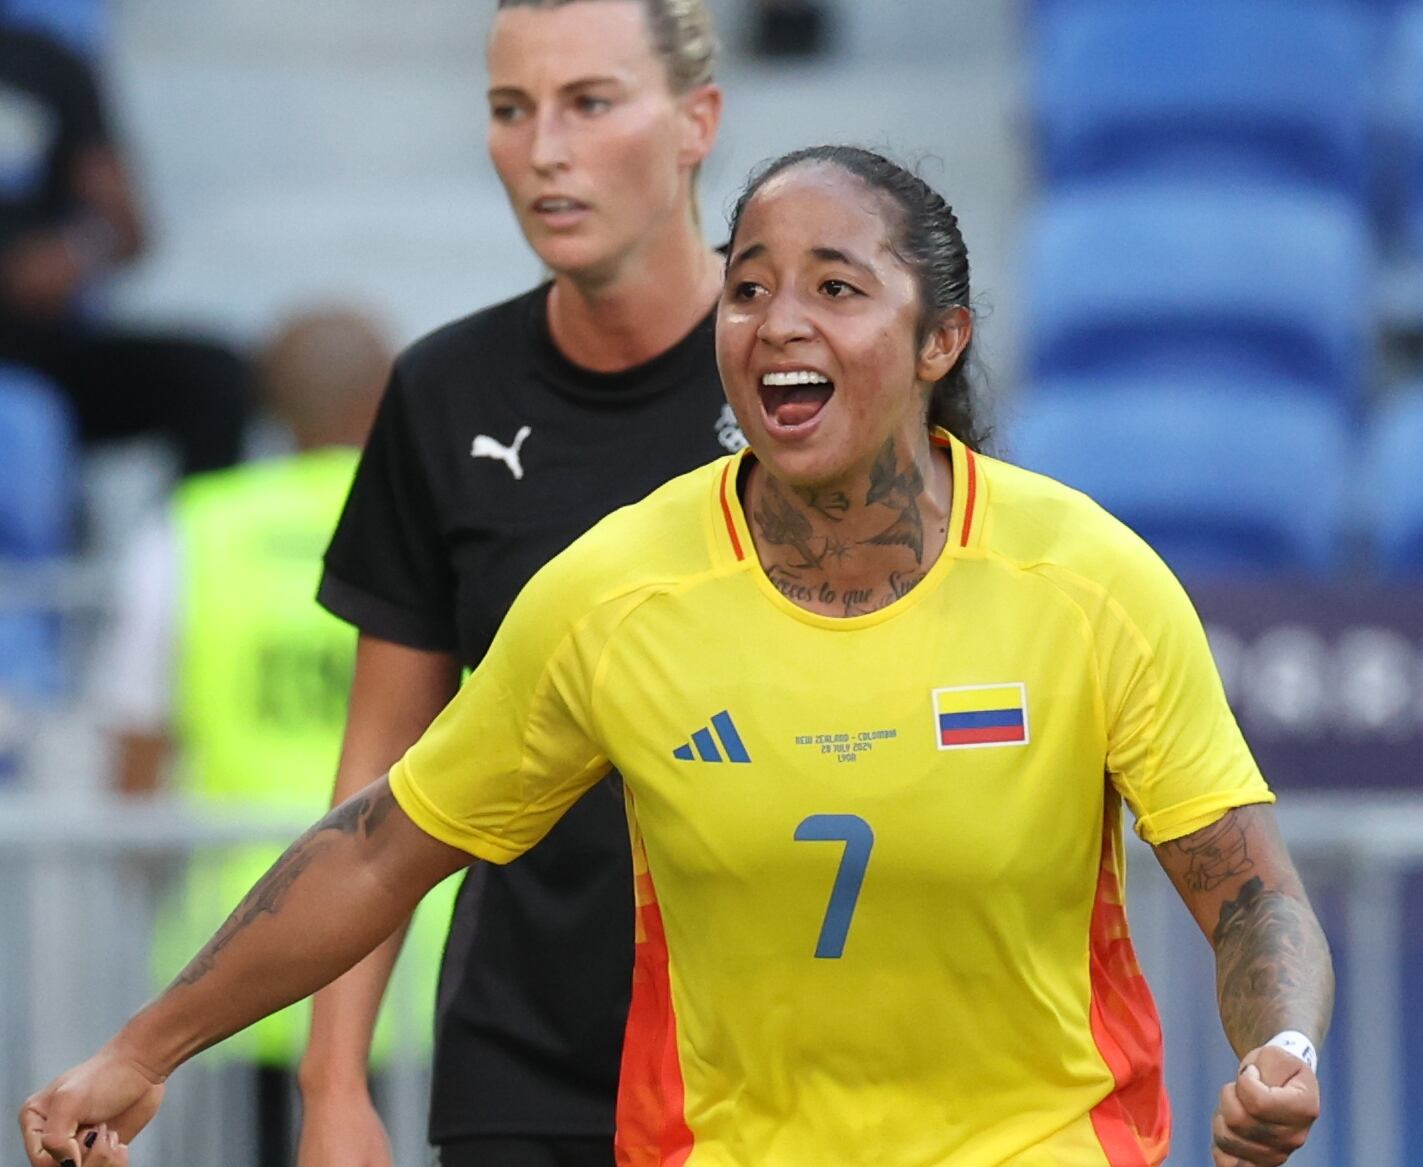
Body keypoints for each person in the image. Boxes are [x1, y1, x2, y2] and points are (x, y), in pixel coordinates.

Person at [20, 146, 1333, 1167]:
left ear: (942, 342)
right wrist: (145, 1049)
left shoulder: (1087, 579)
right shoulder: (617, 589)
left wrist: (1279, 1045)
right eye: (747, 283)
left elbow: (1250, 892)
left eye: (836, 286)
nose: (776, 320)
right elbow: (379, 847)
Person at [295, 3, 737, 1166]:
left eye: (589, 103)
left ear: (696, 121)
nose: (545, 149)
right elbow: (379, 775)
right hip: (520, 1070)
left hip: (773, 1073)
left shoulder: (813, 368)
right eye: (510, 110)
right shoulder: (444, 392)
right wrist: (332, 1081)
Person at [90, 309, 455, 1167]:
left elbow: (134, 757)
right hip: (421, 953)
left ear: (269, 408)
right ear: (388, 395)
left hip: (238, 968)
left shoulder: (194, 530)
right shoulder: (443, 525)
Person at [0, 22, 249, 477]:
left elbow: (129, 228)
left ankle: (179, 540)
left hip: (37, 345)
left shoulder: (45, 63)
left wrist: (75, 253)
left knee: (214, 376)